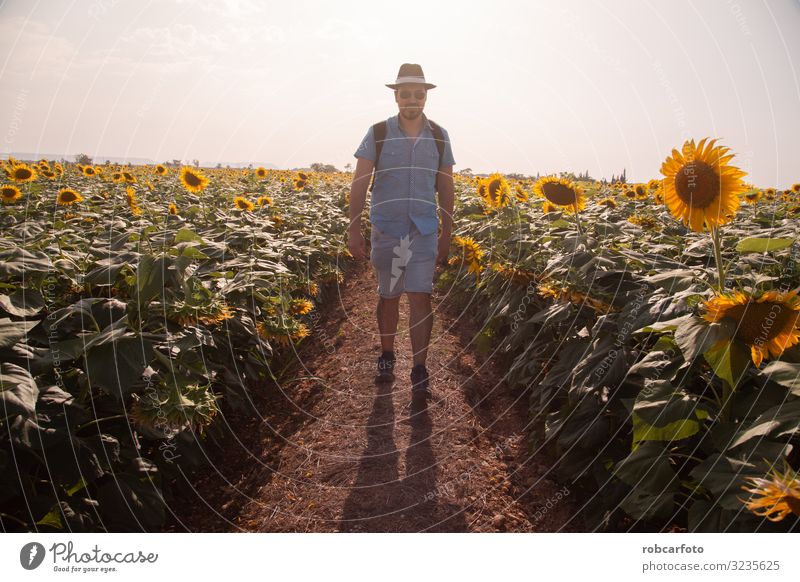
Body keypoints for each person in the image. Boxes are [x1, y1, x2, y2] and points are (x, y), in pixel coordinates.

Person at [347, 63, 456, 402]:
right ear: (396, 96)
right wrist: (354, 229)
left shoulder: (439, 135)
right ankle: (387, 354)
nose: (412, 99)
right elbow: (360, 182)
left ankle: (419, 369)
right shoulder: (378, 132)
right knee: (389, 295)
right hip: (388, 228)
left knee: (421, 296)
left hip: (423, 228)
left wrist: (447, 232)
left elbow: (446, 185)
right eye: (406, 93)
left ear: (426, 97)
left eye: (418, 94)